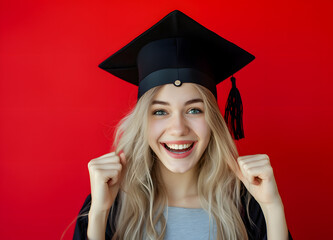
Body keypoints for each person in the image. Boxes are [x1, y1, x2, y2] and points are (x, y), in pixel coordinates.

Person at [73, 10, 292, 240]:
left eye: (194, 110)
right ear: (142, 123)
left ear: (213, 121)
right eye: (160, 111)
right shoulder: (112, 203)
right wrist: (98, 213)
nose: (178, 128)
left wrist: (272, 207)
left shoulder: (246, 205)